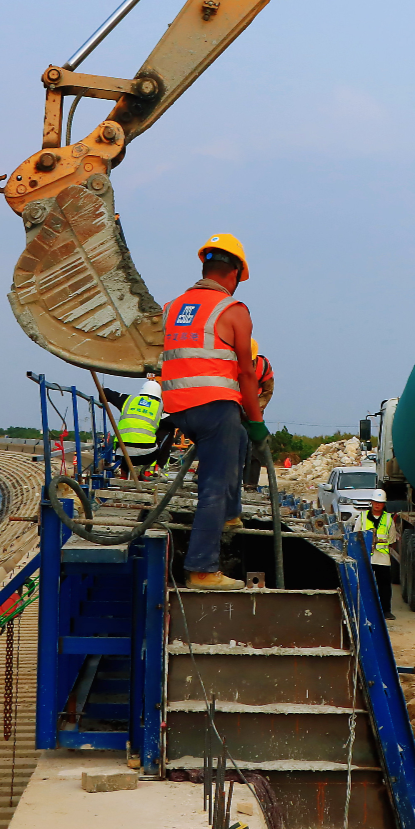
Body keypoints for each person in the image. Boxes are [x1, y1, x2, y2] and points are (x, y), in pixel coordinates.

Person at [160, 232, 270, 592]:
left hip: (179, 410)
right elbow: (246, 372)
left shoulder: (172, 307)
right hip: (216, 406)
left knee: (233, 441)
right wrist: (257, 423)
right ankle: (201, 569)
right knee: (214, 486)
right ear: (235, 272)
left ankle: (231, 516)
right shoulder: (232, 311)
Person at [100, 378, 171, 479]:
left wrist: (101, 401)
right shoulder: (161, 407)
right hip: (147, 456)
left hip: (122, 454)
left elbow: (105, 392)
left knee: (126, 447)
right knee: (168, 428)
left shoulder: (128, 400)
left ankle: (124, 472)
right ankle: (159, 466)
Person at [353, 496, 396, 619]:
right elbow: (356, 534)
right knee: (365, 583)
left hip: (382, 557)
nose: (377, 505)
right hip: (366, 556)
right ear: (371, 503)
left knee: (384, 585)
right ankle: (365, 610)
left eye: (380, 503)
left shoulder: (388, 519)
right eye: (376, 502)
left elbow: (391, 538)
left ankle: (386, 611)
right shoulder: (362, 517)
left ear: (384, 504)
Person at [241, 345, 275, 491]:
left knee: (255, 448)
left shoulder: (263, 365)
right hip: (232, 407)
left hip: (254, 409)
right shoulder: (230, 364)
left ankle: (250, 484)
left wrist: (255, 409)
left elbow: (268, 391)